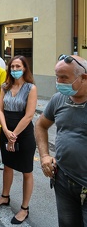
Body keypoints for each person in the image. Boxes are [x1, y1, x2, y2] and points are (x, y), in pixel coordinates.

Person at [35, 54, 87, 226]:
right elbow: (41, 125)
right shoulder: (58, 99)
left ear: (84, 77)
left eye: (64, 78)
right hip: (63, 180)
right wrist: (44, 155)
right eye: (57, 77)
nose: (59, 82)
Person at [0, 55, 37, 225]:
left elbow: (29, 114)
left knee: (26, 170)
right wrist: (6, 131)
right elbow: (0, 110)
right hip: (6, 130)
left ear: (25, 68)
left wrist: (13, 134)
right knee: (7, 166)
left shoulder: (31, 88)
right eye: (12, 67)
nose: (15, 70)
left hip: (23, 134)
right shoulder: (5, 86)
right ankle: (4, 196)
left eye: (18, 66)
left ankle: (24, 208)